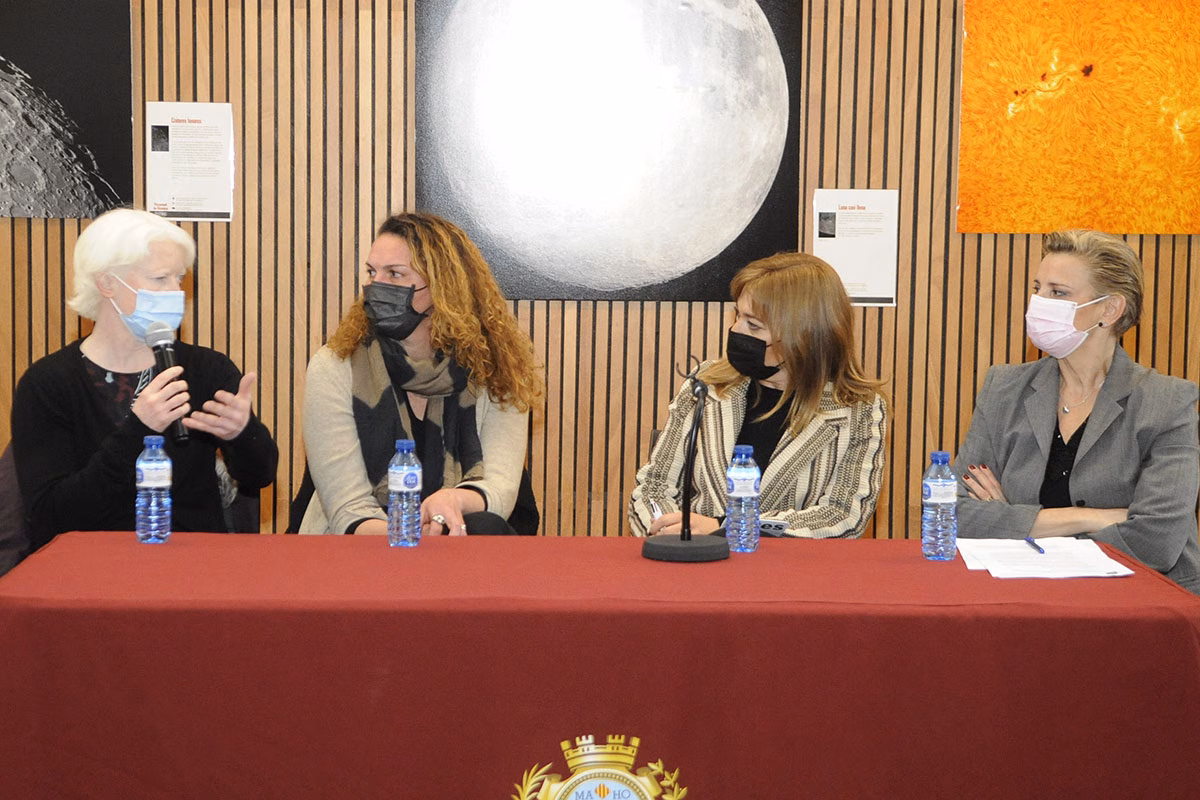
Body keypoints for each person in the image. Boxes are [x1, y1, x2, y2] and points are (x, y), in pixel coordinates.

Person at [11, 208, 278, 550]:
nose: (174, 291)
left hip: (192, 568)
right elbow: (51, 516)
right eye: (159, 279)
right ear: (107, 283)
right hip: (89, 570)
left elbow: (261, 476)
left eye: (178, 279)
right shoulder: (47, 384)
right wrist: (140, 429)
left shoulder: (207, 370)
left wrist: (244, 435)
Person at [955, 230, 1200, 593]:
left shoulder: (1167, 402)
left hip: (1141, 605)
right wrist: (1093, 517)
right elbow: (955, 514)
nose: (1038, 302)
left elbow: (1156, 541)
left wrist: (1014, 524)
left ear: (1109, 309)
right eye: (1037, 288)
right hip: (1022, 599)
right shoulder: (1004, 389)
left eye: (1058, 293)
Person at [297, 212, 543, 536]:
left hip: (455, 534)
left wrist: (451, 503)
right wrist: (415, 537)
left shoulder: (496, 368)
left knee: (486, 526)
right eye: (372, 272)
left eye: (395, 274)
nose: (377, 286)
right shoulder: (335, 366)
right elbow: (348, 511)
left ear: (442, 286)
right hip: (359, 546)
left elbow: (499, 489)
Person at [628, 252, 887, 538]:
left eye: (753, 325)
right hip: (695, 568)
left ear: (803, 337)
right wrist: (672, 530)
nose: (735, 330)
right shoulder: (706, 384)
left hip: (792, 576)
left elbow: (843, 516)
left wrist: (726, 529)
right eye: (738, 316)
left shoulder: (858, 408)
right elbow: (653, 487)